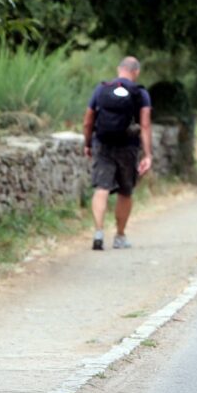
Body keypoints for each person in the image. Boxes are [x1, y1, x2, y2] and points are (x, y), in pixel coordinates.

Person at [83, 57, 153, 251]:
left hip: (103, 144)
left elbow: (88, 121)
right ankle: (119, 236)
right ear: (136, 72)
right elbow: (145, 125)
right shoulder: (140, 93)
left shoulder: (101, 89)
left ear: (118, 69)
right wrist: (147, 154)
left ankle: (98, 232)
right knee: (125, 190)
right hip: (128, 146)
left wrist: (88, 143)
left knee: (101, 188)